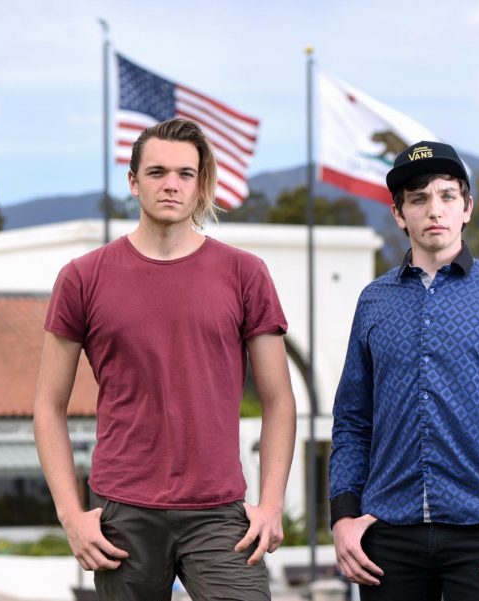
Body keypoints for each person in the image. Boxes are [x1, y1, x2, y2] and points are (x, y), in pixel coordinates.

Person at [34, 118, 297, 601]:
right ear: (133, 182)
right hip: (123, 513)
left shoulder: (245, 273)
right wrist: (71, 516)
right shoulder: (82, 278)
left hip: (220, 511)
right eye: (156, 172)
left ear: (201, 186)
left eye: (184, 174)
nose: (171, 184)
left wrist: (272, 503)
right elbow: (48, 408)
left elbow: (280, 399)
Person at [329, 141, 479, 600]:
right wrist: (343, 516)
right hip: (386, 536)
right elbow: (353, 420)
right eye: (418, 199)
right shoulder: (373, 301)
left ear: (466, 208)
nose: (433, 209)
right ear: (399, 214)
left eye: (447, 196)